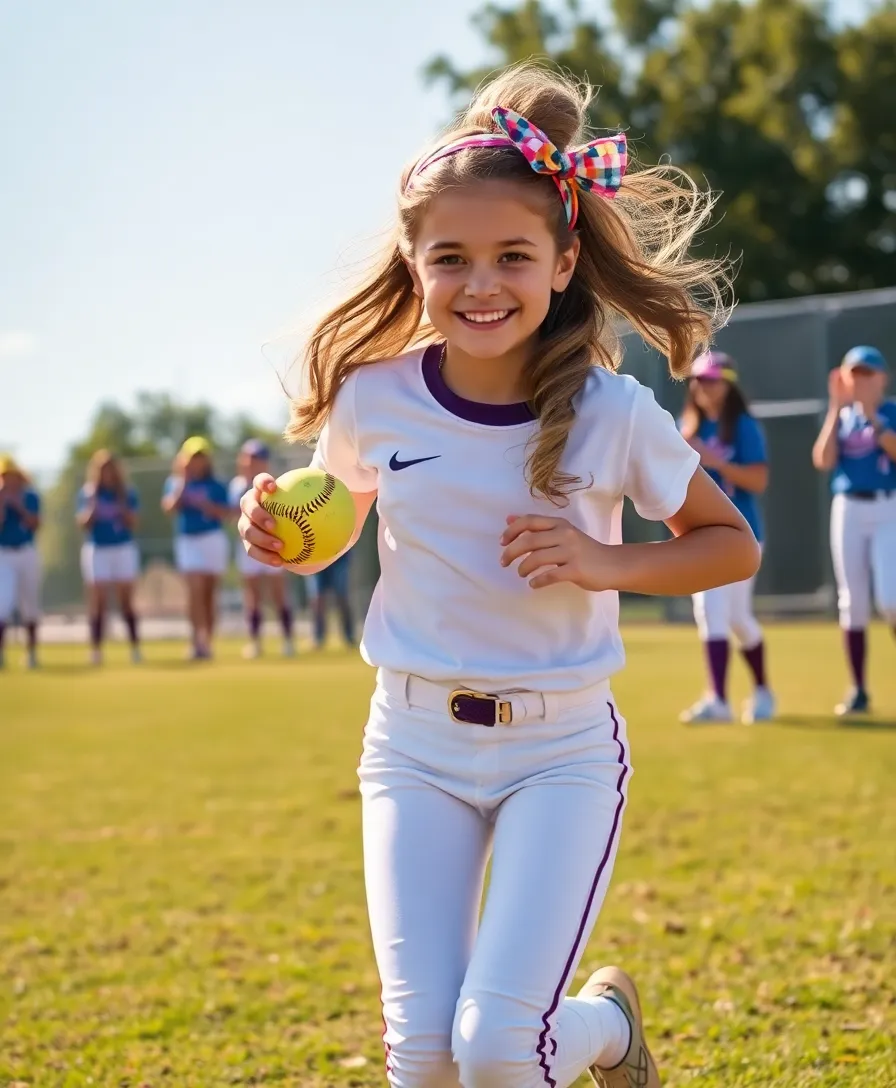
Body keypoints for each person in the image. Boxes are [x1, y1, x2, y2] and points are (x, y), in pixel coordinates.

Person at [238, 64, 758, 1088]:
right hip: (411, 743)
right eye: (452, 258)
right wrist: (282, 529)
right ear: (414, 262)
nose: (481, 283)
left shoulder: (612, 413)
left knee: (497, 1049)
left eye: (512, 256)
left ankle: (601, 1024)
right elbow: (337, 520)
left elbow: (727, 542)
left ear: (563, 262)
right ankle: (599, 1023)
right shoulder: (372, 398)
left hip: (558, 751)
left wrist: (605, 561)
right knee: (427, 1057)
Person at [678, 351, 774, 724]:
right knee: (709, 611)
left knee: (737, 617)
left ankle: (763, 690)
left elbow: (758, 481)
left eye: (712, 379)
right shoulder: (688, 427)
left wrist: (714, 461)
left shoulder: (744, 427)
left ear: (728, 383)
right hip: (700, 533)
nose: (703, 386)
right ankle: (718, 699)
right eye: (699, 379)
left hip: (742, 533)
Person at [812, 345, 896, 715]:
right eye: (853, 374)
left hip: (888, 505)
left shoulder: (890, 412)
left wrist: (873, 417)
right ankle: (859, 690)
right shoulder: (842, 417)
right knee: (852, 603)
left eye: (867, 374)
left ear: (882, 379)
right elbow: (824, 460)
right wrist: (835, 407)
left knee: (891, 600)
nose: (859, 381)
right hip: (848, 507)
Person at [161, 436, 230, 660]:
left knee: (209, 595)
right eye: (192, 458)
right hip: (188, 540)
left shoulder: (216, 484)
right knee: (195, 589)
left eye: (201, 457)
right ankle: (195, 641)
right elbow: (170, 507)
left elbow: (228, 513)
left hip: (212, 538)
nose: (197, 462)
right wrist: (183, 480)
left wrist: (209, 507)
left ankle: (206, 642)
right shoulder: (175, 482)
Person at [228, 438, 295, 658]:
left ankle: (287, 640)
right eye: (248, 458)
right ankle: (255, 641)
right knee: (252, 595)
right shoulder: (236, 485)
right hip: (248, 545)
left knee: (278, 594)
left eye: (256, 458)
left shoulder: (274, 484)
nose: (251, 462)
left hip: (273, 544)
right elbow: (233, 518)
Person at [77, 449, 142, 665]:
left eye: (111, 468)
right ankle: (96, 649)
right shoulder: (88, 493)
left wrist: (122, 504)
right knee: (98, 600)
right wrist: (93, 505)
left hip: (122, 547)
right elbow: (83, 523)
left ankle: (135, 647)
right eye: (103, 469)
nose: (107, 473)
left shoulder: (126, 492)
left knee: (126, 600)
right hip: (98, 548)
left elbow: (133, 522)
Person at [0, 454, 41, 669]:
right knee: (2, 604)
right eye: (5, 476)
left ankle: (32, 653)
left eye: (12, 475)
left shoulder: (30, 496)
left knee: (30, 604)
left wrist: (18, 506)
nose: (9, 480)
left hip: (26, 552)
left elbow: (35, 524)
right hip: (3, 554)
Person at [305, 549, 355, 649]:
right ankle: (318, 636)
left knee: (342, 597)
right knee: (317, 599)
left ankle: (349, 636)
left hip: (339, 556)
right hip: (315, 558)